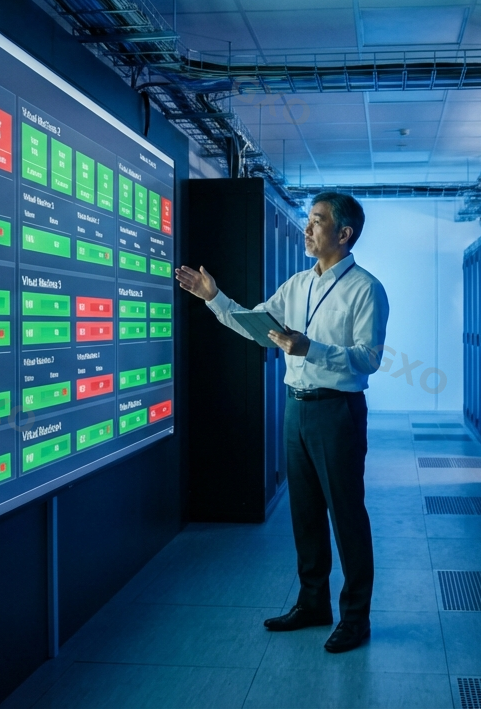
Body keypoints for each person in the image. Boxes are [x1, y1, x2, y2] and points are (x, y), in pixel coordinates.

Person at [175, 192, 390, 653]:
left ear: (343, 234)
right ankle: (314, 603)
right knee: (305, 514)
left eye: (316, 222)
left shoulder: (366, 289)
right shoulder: (296, 284)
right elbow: (258, 326)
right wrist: (215, 299)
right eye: (308, 221)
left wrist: (310, 348)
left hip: (338, 411)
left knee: (347, 516)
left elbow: (368, 360)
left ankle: (356, 618)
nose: (307, 229)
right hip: (296, 407)